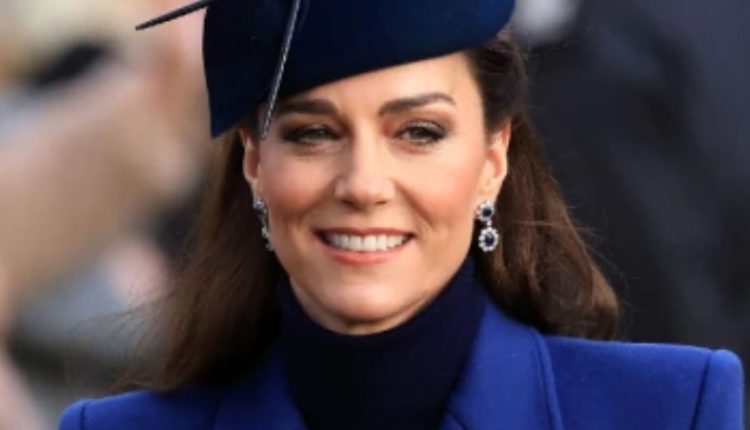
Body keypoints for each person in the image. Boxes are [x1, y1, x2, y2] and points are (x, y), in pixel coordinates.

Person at [59, 0, 745, 429]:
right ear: (254, 162)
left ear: (494, 157)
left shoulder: (672, 408)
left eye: (419, 132)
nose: (363, 184)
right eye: (313, 133)